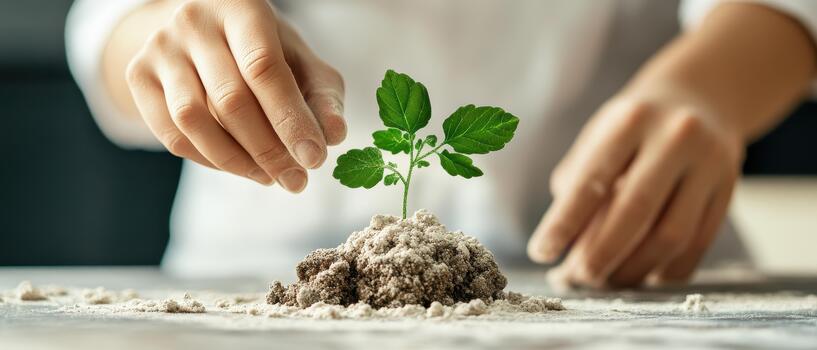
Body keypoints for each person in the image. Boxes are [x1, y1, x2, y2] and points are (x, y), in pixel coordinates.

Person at [66, 0, 816, 288]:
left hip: (625, 273)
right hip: (263, 282)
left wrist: (706, 88)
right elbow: (113, 24)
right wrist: (165, 37)